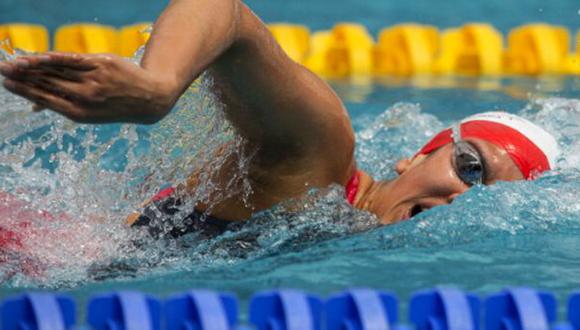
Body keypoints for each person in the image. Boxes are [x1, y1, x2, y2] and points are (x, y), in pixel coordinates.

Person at [0, 0, 559, 236]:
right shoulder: (321, 155)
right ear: (415, 155)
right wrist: (158, 86)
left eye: (488, 198)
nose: (464, 199)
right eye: (471, 168)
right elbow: (226, 14)